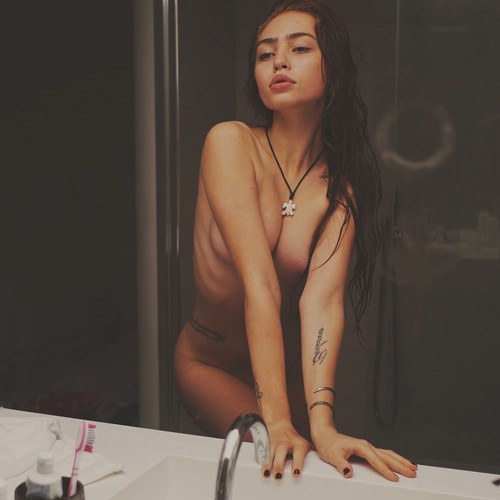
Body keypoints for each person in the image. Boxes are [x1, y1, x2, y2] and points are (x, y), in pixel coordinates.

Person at [175, 0, 417, 482]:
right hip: (210, 364)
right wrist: (280, 422)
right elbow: (260, 285)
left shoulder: (341, 186)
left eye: (299, 49)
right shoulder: (231, 143)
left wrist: (324, 423)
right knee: (284, 463)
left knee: (317, 463)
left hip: (280, 374)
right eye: (265, 54)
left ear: (336, 69)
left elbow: (322, 302)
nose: (279, 62)